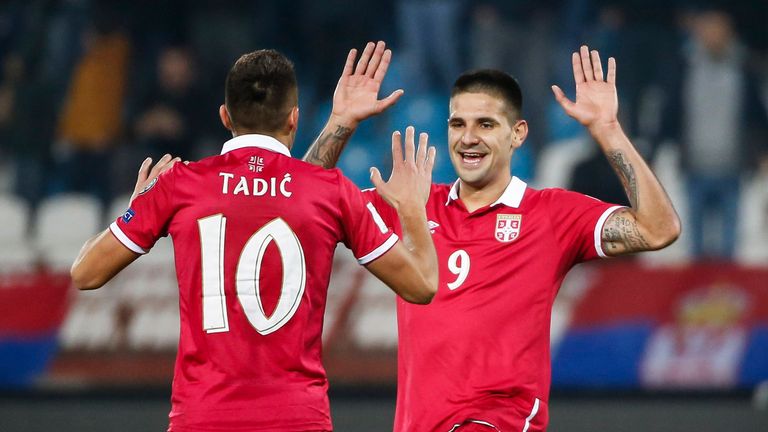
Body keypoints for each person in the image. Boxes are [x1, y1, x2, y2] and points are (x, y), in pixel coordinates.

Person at [304, 45, 681, 431]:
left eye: (486, 124)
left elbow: (658, 228)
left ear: (517, 134)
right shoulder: (412, 203)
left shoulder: (550, 214)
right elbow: (297, 208)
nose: (468, 138)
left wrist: (607, 130)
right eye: (457, 124)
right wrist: (342, 122)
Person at [70, 46, 439, 432]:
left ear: (225, 116)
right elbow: (421, 285)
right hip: (297, 419)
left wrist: (135, 210)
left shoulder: (178, 186)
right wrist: (412, 209)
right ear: (295, 119)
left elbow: (85, 273)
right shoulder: (331, 191)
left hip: (203, 418)